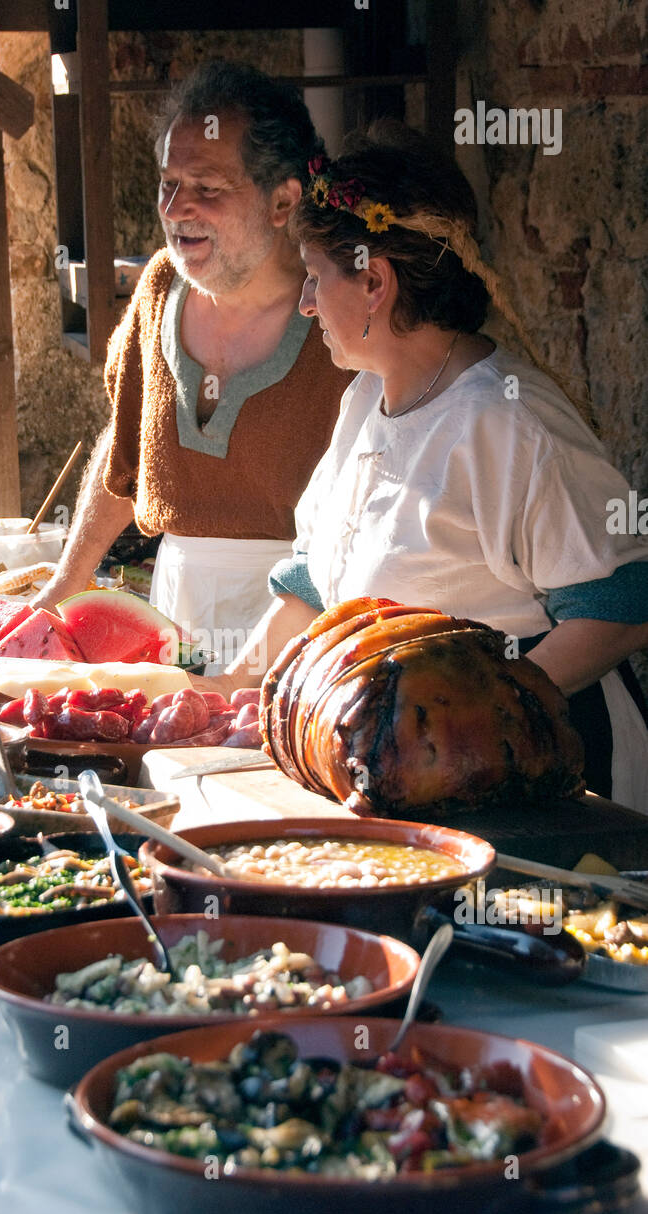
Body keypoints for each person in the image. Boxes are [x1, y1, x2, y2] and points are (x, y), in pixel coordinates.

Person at [196, 122, 648, 810]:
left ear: (374, 280)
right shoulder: (366, 399)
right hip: (404, 770)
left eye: (316, 278)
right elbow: (311, 590)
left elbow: (621, 605)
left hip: (540, 776)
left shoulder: (506, 423)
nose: (307, 303)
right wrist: (228, 694)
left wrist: (494, 722)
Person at [35, 62, 352, 672]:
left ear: (283, 199)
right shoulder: (159, 289)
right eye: (168, 183)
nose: (177, 209)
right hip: (171, 617)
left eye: (206, 187)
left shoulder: (338, 317)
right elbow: (124, 448)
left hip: (304, 627)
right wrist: (64, 586)